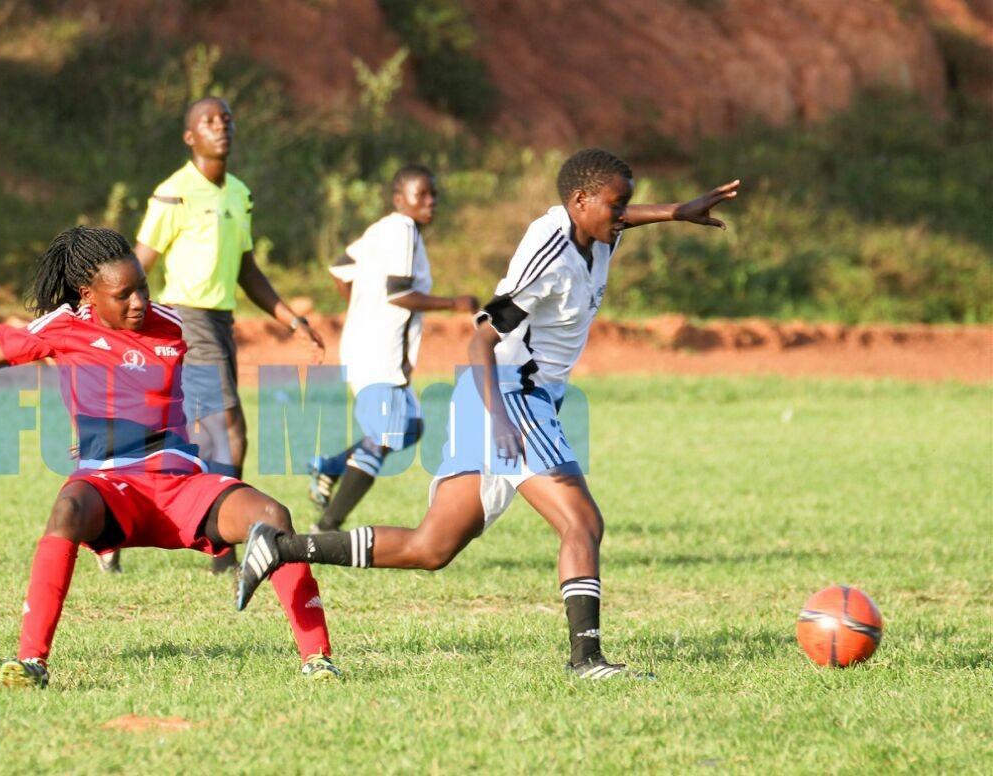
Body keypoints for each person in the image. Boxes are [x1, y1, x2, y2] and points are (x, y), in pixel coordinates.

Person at [236, 149, 740, 680]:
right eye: (618, 205)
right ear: (579, 201)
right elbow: (480, 339)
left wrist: (676, 211)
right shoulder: (548, 253)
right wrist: (499, 417)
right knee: (582, 521)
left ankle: (280, 547)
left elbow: (616, 217)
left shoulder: (597, 230)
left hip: (507, 399)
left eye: (627, 206)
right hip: (507, 393)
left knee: (431, 547)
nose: (624, 216)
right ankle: (586, 660)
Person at [0, 226, 342, 687]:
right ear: (89, 294)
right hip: (112, 487)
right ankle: (30, 660)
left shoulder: (172, 325)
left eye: (143, 288)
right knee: (67, 508)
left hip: (180, 484)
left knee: (272, 517)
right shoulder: (64, 328)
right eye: (124, 294)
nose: (138, 302)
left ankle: (317, 660)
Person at [128, 96, 324, 576]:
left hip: (221, 322)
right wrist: (128, 321)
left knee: (197, 437)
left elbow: (247, 270)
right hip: (186, 318)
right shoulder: (173, 193)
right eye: (208, 121)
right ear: (189, 136)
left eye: (227, 119)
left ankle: (125, 517)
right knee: (231, 433)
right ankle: (229, 547)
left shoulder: (239, 193)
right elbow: (137, 264)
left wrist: (290, 319)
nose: (221, 127)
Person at [307, 164, 478, 533]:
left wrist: (361, 309)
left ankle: (332, 465)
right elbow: (400, 294)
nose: (431, 202)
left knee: (411, 427)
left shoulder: (383, 228)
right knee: (386, 435)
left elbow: (339, 269)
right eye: (422, 195)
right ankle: (328, 525)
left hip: (371, 347)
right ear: (400, 200)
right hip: (377, 352)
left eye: (434, 194)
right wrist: (454, 303)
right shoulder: (402, 230)